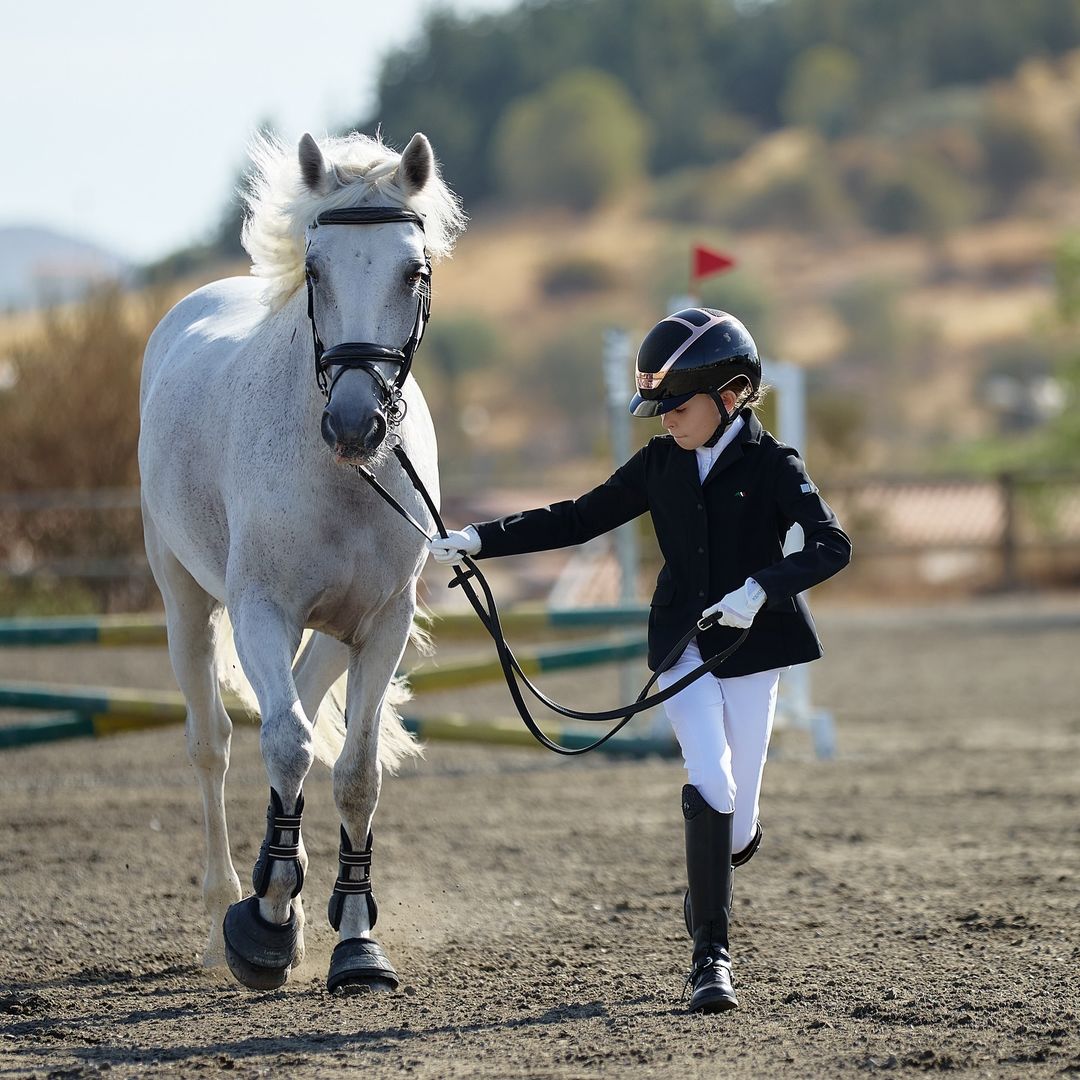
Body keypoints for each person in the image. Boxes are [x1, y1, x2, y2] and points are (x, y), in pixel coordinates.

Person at [427, 308, 851, 1014]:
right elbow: (578, 515)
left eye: (676, 407)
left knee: (740, 822)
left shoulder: (776, 465)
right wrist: (479, 539)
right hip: (682, 640)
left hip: (756, 644)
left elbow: (831, 545)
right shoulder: (660, 462)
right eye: (658, 408)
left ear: (734, 393)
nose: (664, 421)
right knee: (707, 777)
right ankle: (711, 958)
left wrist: (761, 589)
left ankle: (718, 862)